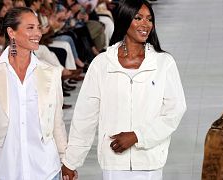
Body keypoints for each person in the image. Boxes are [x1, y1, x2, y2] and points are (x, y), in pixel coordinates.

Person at [61, 0, 187, 179]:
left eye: (149, 19)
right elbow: (85, 116)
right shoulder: (102, 64)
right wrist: (71, 161)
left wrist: (138, 136)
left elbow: (174, 111)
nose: (146, 24)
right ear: (124, 20)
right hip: (114, 161)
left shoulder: (163, 63)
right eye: (138, 18)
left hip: (149, 161)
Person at [0, 7, 67, 180]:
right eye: (30, 28)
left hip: (47, 170)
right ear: (11, 32)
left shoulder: (51, 73)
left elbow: (56, 124)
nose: (37, 33)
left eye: (38, 27)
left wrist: (66, 162)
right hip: (5, 171)